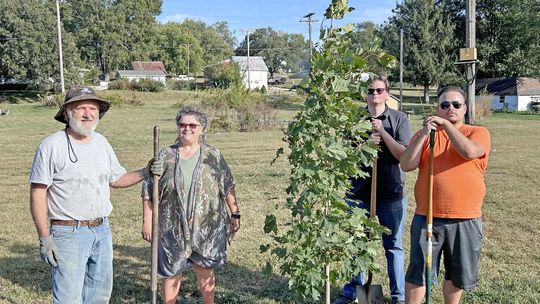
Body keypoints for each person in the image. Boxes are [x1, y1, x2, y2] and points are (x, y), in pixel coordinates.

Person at [29, 86, 162, 304]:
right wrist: (45, 238)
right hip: (68, 233)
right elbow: (37, 193)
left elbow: (116, 179)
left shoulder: (101, 142)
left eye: (93, 108)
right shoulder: (52, 146)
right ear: (67, 113)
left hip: (102, 230)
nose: (88, 114)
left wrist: (146, 172)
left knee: (99, 295)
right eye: (81, 108)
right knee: (68, 297)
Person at [400, 86, 491, 304]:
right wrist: (423, 133)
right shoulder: (425, 135)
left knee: (457, 273)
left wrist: (447, 126)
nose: (450, 108)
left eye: (456, 105)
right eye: (445, 105)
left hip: (465, 217)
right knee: (418, 271)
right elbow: (406, 164)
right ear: (437, 108)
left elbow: (469, 152)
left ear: (465, 108)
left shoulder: (477, 132)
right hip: (427, 215)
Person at [141, 107, 240, 304]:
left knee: (205, 270)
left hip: (206, 226)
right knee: (171, 272)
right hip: (171, 226)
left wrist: (235, 213)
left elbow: (227, 185)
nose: (187, 129)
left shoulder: (213, 155)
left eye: (192, 125)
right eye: (182, 125)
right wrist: (147, 221)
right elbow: (148, 190)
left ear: (202, 128)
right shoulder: (165, 155)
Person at [335, 76, 412, 304]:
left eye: (380, 90)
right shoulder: (355, 120)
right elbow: (342, 155)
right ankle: (354, 290)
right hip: (358, 194)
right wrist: (365, 145)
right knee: (356, 243)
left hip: (391, 194)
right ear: (365, 95)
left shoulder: (399, 119)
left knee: (393, 246)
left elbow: (404, 155)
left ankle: (398, 297)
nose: (375, 94)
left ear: (387, 94)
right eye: (371, 91)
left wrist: (383, 134)